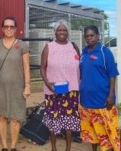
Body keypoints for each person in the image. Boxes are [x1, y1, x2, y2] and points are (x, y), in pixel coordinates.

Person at [0, 16, 31, 151]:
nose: (9, 29)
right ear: (2, 29)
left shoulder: (22, 45)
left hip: (17, 87)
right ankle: (4, 147)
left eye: (12, 27)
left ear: (16, 29)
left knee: (15, 118)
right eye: (6, 26)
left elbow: (26, 67)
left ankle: (13, 147)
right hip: (0, 87)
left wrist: (28, 85)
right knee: (1, 116)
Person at [40, 19, 81, 151]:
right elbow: (42, 67)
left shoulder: (73, 46)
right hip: (53, 91)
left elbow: (79, 64)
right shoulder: (49, 47)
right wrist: (47, 83)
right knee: (53, 121)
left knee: (69, 122)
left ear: (68, 32)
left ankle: (68, 148)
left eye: (64, 30)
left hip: (71, 91)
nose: (62, 32)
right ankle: (54, 148)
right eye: (59, 30)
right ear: (55, 32)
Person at [79, 25, 120, 151]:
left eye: (92, 35)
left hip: (103, 100)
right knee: (92, 133)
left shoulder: (105, 52)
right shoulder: (84, 53)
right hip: (86, 101)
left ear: (98, 36)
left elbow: (112, 74)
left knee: (109, 131)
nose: (89, 38)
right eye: (87, 36)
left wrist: (111, 95)